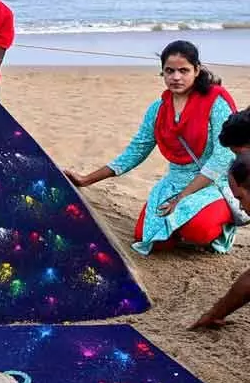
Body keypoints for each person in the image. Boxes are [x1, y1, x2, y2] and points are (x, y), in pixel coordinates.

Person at [65, 41, 240, 255]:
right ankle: (180, 226)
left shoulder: (215, 102)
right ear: (163, 73)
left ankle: (218, 226)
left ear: (197, 70)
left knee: (198, 231)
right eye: (170, 71)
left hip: (212, 183)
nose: (176, 77)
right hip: (174, 183)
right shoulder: (158, 110)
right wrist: (86, 180)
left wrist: (182, 198)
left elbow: (222, 157)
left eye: (183, 70)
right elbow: (136, 151)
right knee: (146, 237)